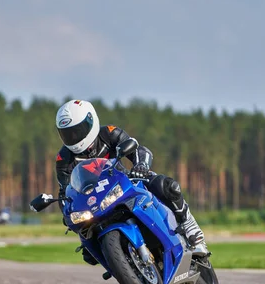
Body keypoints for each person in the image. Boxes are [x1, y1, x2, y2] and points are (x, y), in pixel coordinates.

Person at [54, 99, 205, 265]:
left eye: (77, 131)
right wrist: (66, 211)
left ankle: (190, 228)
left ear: (91, 121)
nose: (73, 137)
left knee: (166, 186)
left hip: (124, 182)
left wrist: (141, 165)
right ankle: (123, 264)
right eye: (67, 133)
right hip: (95, 203)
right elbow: (65, 192)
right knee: (89, 250)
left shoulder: (109, 133)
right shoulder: (64, 159)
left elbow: (138, 150)